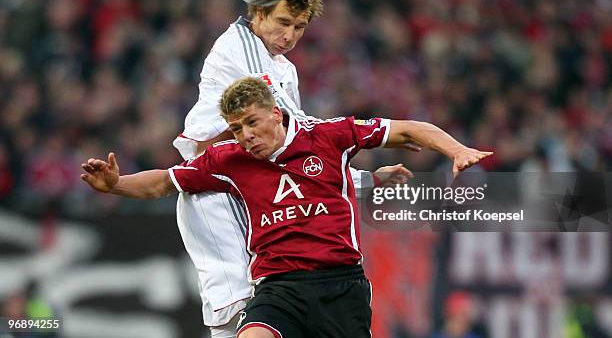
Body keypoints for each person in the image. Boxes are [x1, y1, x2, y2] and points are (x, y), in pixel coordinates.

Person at [81, 77, 492, 338]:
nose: (246, 136)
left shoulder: (330, 136)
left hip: (340, 287)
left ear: (276, 114)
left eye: (253, 122)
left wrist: (456, 150)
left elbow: (407, 128)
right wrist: (116, 184)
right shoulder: (227, 160)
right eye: (237, 128)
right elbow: (163, 182)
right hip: (278, 288)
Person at [170, 0, 416, 336]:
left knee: (263, 315)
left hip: (256, 189)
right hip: (218, 194)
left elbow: (297, 157)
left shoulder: (283, 68)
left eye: (299, 27)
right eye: (282, 22)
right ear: (258, 8)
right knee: (242, 312)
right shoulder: (241, 47)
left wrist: (363, 180)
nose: (289, 35)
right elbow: (300, 142)